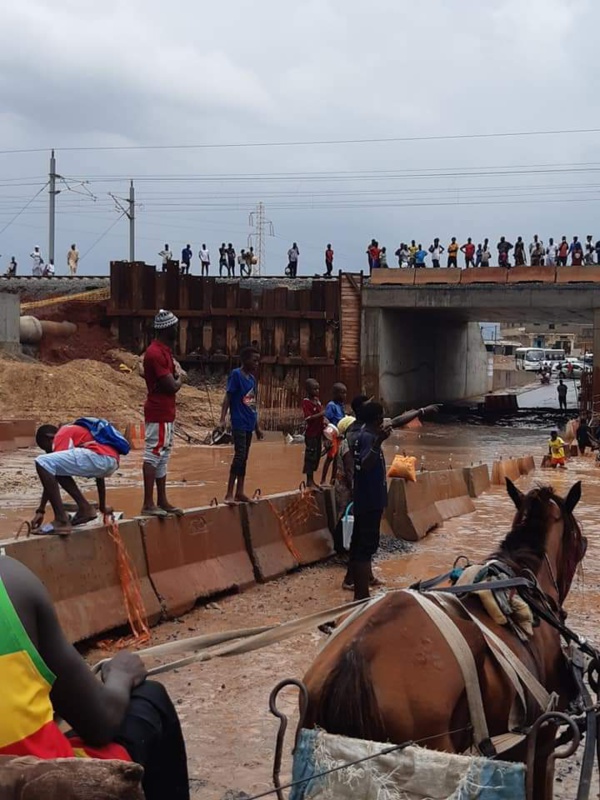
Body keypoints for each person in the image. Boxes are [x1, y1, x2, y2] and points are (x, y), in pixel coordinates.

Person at [0, 555, 189, 800]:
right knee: (151, 695)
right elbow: (100, 725)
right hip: (38, 789)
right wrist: (121, 674)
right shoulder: (13, 581)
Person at [32, 420, 125, 535]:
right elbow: (100, 477)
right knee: (56, 468)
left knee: (42, 461)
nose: (49, 452)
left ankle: (61, 520)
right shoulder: (79, 435)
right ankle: (84, 508)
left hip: (99, 457)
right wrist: (102, 506)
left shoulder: (62, 434)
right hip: (111, 461)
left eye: (47, 448)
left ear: (50, 437)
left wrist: (41, 510)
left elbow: (48, 470)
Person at [141, 310, 183, 518]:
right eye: (175, 326)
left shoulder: (163, 350)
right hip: (158, 410)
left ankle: (161, 500)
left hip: (165, 411)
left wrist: (175, 379)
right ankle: (148, 502)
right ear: (167, 329)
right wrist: (179, 379)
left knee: (163, 455)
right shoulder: (155, 353)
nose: (178, 329)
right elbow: (171, 384)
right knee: (153, 453)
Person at [347, 401, 391, 600]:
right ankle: (361, 596)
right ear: (377, 419)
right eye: (381, 416)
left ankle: (358, 591)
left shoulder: (365, 433)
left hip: (366, 500)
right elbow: (365, 464)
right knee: (365, 548)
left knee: (359, 546)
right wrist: (378, 444)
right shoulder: (369, 439)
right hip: (370, 501)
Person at [220, 346, 263, 504]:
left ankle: (240, 491)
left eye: (258, 361)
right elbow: (228, 398)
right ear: (245, 360)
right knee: (239, 456)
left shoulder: (252, 380)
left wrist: (257, 427)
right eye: (254, 360)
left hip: (249, 424)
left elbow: (252, 404)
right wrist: (222, 419)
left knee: (244, 458)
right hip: (238, 422)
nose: (257, 364)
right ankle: (229, 493)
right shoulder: (236, 375)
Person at [320, 382, 347, 485]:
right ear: (335, 394)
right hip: (332, 435)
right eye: (342, 393)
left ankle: (332, 480)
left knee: (337, 459)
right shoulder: (332, 406)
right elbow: (326, 420)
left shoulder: (341, 406)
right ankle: (323, 480)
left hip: (339, 436)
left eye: (345, 393)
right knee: (330, 457)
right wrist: (326, 438)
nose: (344, 395)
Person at [302, 378, 325, 489]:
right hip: (310, 434)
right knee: (310, 456)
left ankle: (312, 481)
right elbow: (308, 418)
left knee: (316, 457)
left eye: (318, 389)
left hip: (318, 433)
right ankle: (309, 481)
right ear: (308, 390)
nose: (317, 391)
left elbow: (321, 417)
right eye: (314, 389)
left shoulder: (318, 401)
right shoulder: (306, 402)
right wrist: (321, 414)